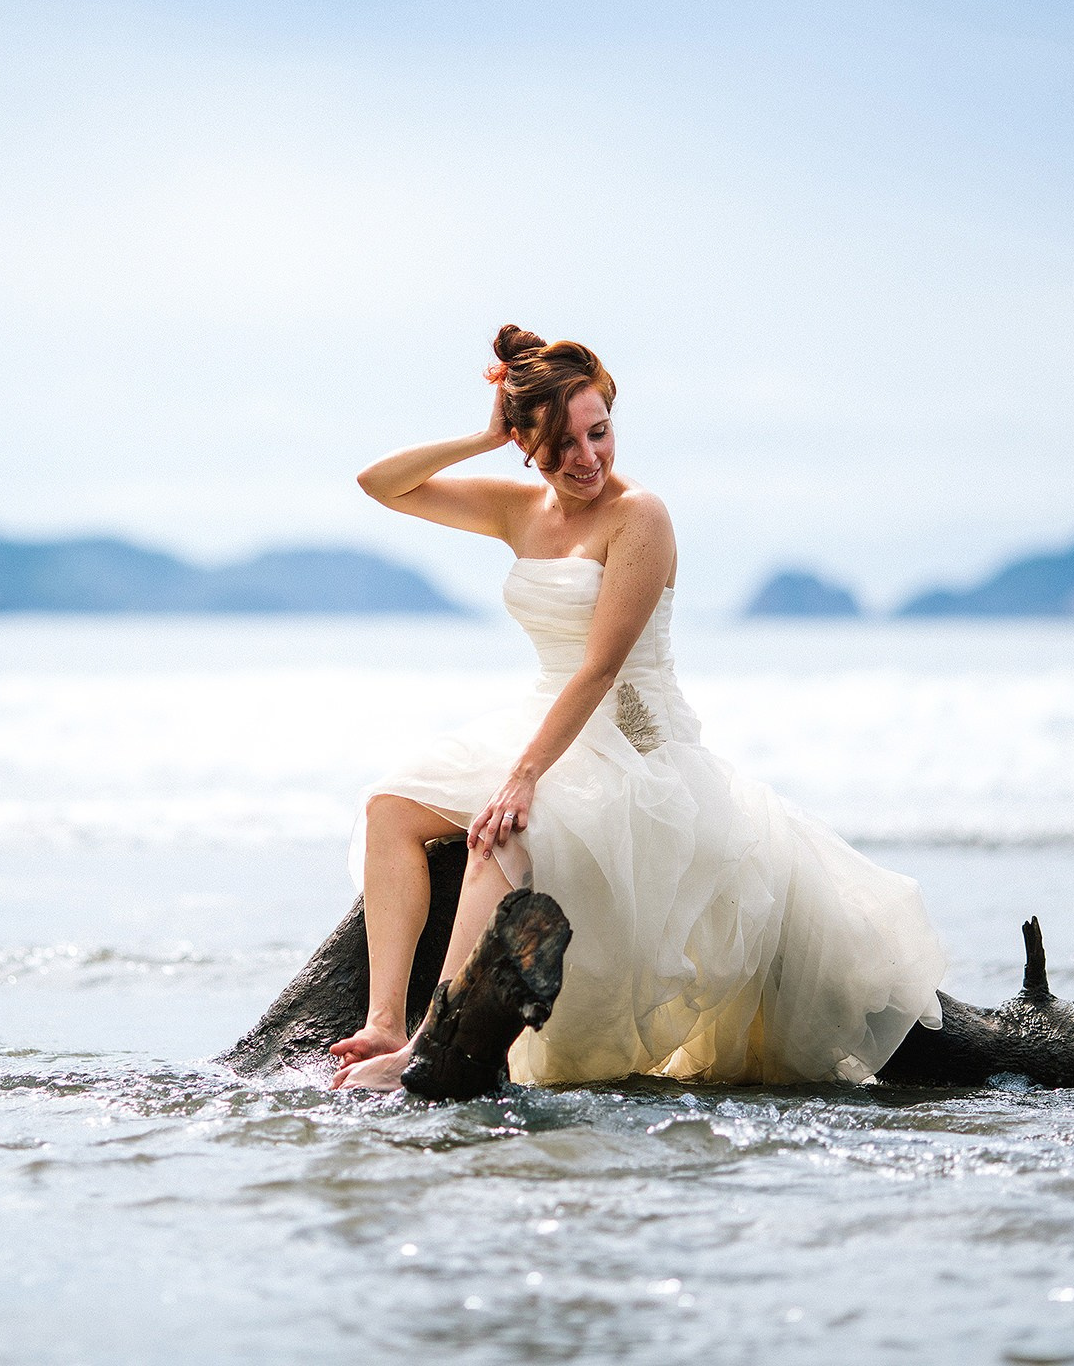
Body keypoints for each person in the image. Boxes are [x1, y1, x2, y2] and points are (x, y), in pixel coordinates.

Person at [329, 324, 947, 1092]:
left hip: (632, 747)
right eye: (560, 444)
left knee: (499, 839)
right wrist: (485, 436)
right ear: (526, 441)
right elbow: (377, 484)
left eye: (600, 432)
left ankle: (431, 1040)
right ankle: (384, 1021)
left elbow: (599, 668)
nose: (587, 458)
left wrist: (521, 781)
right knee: (391, 804)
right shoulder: (516, 509)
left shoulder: (641, 516)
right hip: (543, 725)